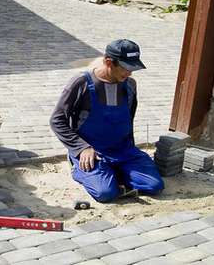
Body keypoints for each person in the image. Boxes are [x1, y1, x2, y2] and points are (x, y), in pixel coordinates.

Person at [50, 39, 164, 202]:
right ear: (108, 62)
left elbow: (128, 119)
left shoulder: (130, 85)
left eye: (133, 68)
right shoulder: (81, 83)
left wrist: (130, 150)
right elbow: (57, 120)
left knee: (154, 186)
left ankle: (113, 171)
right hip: (93, 152)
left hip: (122, 150)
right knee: (105, 193)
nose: (130, 73)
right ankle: (80, 166)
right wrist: (81, 148)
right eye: (126, 68)